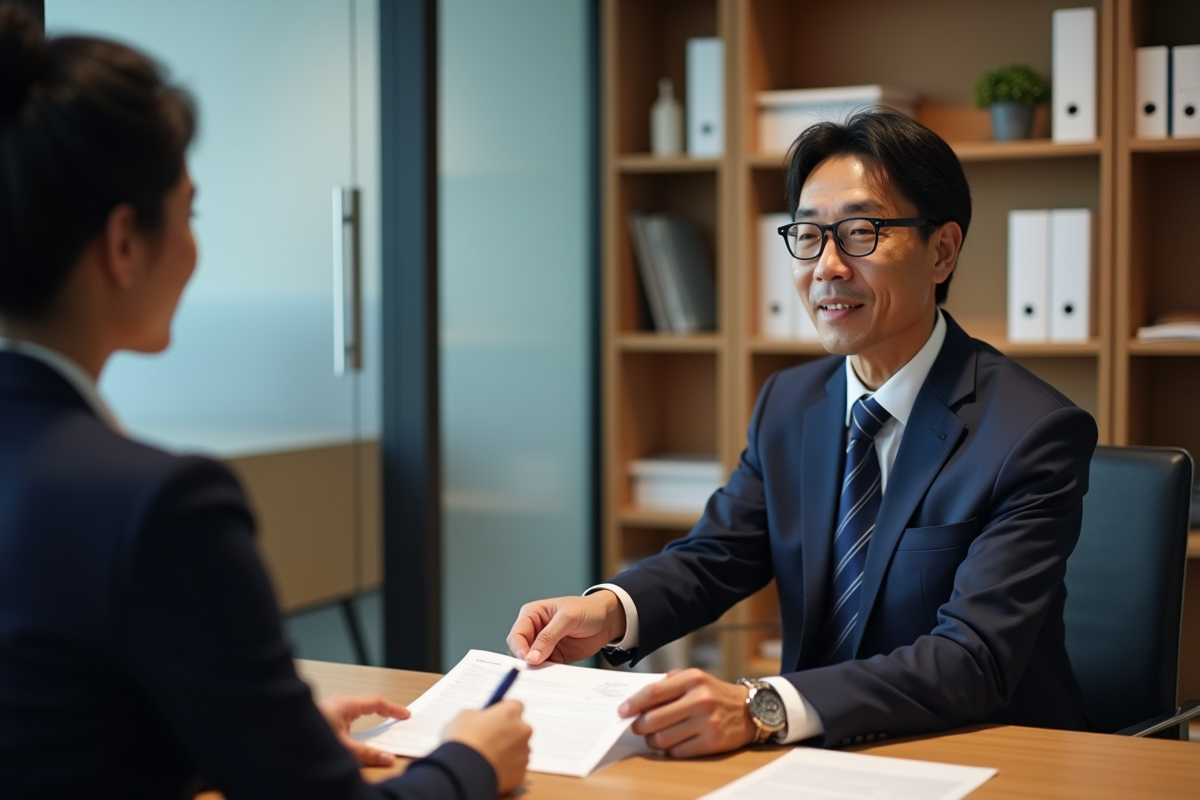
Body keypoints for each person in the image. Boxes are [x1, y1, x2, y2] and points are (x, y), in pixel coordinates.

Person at [0, 7, 530, 798]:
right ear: (122, 244)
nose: (194, 247)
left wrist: (259, 736)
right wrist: (469, 762)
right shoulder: (158, 504)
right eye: (190, 212)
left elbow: (57, 720)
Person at [508, 107, 1097, 755]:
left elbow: (971, 657)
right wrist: (612, 609)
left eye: (861, 232)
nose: (829, 266)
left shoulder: (1032, 432)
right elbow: (718, 556)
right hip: (814, 753)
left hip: (983, 754)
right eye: (809, 236)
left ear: (942, 250)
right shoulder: (790, 402)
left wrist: (761, 706)